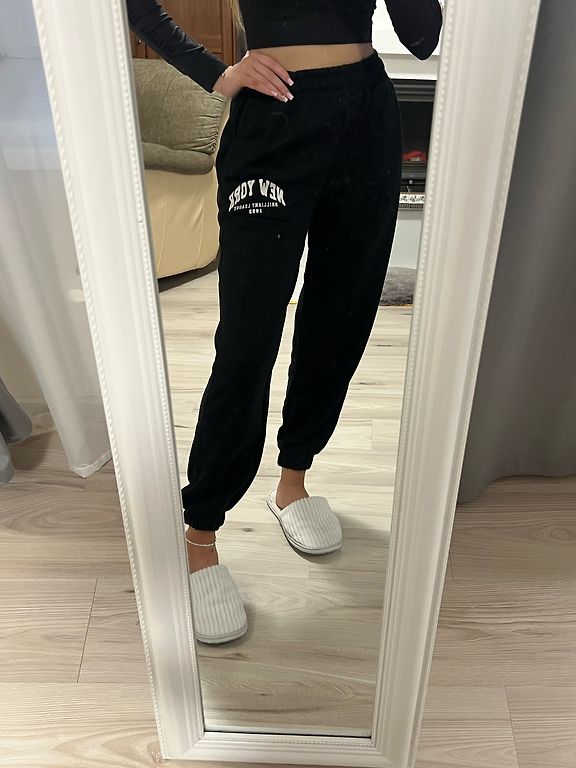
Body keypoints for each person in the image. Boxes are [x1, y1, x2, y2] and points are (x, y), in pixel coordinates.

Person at [126, 0, 443, 644]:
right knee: (247, 339)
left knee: (340, 316)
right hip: (274, 118)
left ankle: (293, 479)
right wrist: (216, 73)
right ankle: (200, 532)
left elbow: (422, 35)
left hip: (367, 116)